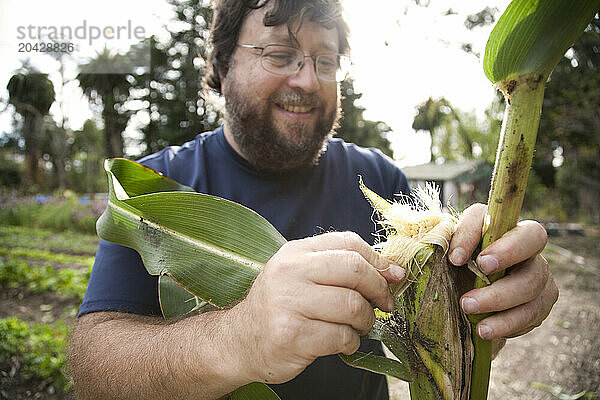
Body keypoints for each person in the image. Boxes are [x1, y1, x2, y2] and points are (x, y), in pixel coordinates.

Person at [68, 1, 559, 399]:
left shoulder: (379, 177)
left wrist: (488, 282)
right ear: (221, 65)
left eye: (325, 61)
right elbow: (93, 367)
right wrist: (238, 339)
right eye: (280, 54)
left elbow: (445, 322)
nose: (307, 80)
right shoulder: (151, 185)